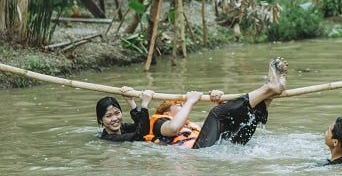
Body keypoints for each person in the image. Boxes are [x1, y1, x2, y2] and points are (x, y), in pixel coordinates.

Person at [95, 58, 287, 149]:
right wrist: (191, 101)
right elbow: (154, 129)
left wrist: (221, 97)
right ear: (167, 109)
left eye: (116, 113)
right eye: (178, 103)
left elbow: (137, 125)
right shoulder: (158, 120)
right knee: (217, 113)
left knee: (237, 120)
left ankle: (267, 96)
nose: (114, 118)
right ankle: (268, 88)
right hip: (198, 153)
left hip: (219, 147)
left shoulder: (189, 125)